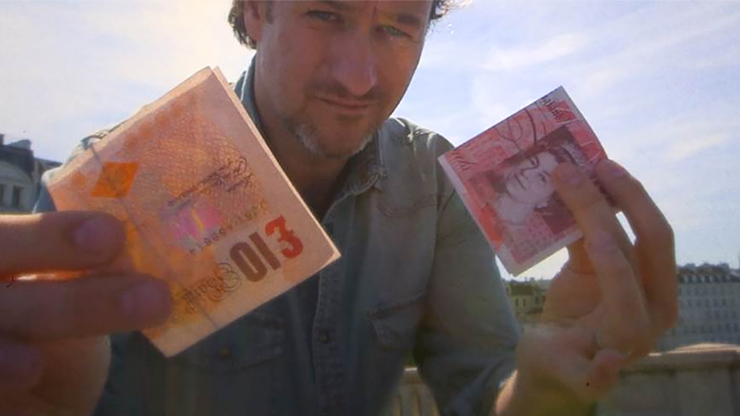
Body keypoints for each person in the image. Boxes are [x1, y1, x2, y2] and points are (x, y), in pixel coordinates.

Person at [0, 1, 677, 415]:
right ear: (256, 10)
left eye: (398, 29)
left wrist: (548, 384)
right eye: (327, 14)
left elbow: (485, 394)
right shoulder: (104, 192)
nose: (360, 79)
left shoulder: (432, 183)